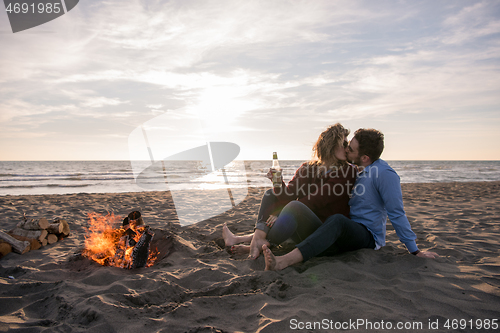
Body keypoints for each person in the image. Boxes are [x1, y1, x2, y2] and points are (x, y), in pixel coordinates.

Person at [263, 128, 439, 271]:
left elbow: (396, 212)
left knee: (336, 220)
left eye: (350, 149)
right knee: (330, 220)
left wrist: (414, 250)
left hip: (367, 235)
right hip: (344, 229)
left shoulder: (384, 174)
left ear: (365, 157)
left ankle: (284, 261)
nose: (347, 149)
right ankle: (258, 242)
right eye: (347, 145)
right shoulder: (356, 170)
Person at [223, 123, 357, 259]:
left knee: (295, 207)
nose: (347, 149)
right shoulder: (307, 168)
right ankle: (258, 239)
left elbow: (318, 200)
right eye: (344, 144)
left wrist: (282, 212)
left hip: (323, 232)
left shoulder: (348, 171)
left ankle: (259, 244)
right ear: (331, 145)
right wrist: (278, 183)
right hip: (300, 229)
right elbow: (289, 195)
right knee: (270, 194)